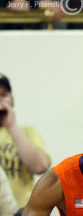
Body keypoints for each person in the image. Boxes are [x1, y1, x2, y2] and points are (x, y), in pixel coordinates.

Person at [0, 74, 51, 207]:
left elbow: (40, 167)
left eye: (3, 95)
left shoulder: (28, 132)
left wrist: (11, 126)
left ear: (11, 100)